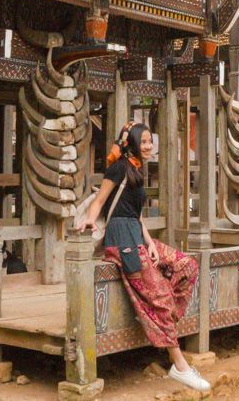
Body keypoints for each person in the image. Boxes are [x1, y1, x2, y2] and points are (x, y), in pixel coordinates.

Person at [76, 122, 210, 393]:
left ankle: (161, 319)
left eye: (151, 141)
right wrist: (89, 223)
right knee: (159, 296)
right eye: (145, 141)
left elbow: (135, 214)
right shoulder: (118, 168)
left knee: (186, 265)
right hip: (121, 240)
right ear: (132, 143)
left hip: (136, 236)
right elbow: (101, 201)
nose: (149, 145)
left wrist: (150, 243)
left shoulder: (137, 169)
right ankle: (180, 366)